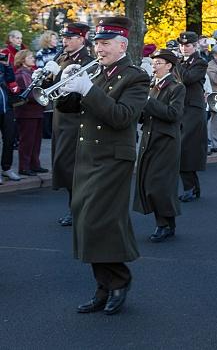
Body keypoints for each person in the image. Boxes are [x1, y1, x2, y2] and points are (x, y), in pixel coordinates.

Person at [56, 16, 149, 316]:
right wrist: (61, 82)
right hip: (88, 158)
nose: (99, 48)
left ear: (122, 45)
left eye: (105, 43)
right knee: (86, 221)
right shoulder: (96, 72)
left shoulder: (135, 77)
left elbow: (122, 116)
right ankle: (103, 284)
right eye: (97, 43)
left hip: (113, 158)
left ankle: (119, 280)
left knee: (101, 220)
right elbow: (69, 107)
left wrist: (88, 89)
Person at [134, 48, 185, 243]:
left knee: (160, 185)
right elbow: (145, 113)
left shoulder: (176, 87)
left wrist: (147, 102)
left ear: (169, 65)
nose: (154, 66)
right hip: (149, 138)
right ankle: (165, 223)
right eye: (153, 63)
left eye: (158, 63)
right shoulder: (152, 85)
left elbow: (173, 114)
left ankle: (164, 224)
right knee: (148, 182)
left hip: (166, 141)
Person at [49, 23, 94, 225]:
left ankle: (77, 209)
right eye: (64, 37)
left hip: (75, 119)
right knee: (63, 165)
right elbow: (54, 90)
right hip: (60, 120)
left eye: (69, 37)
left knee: (72, 167)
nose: (64, 41)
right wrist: (42, 80)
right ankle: (75, 206)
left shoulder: (87, 61)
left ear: (81, 39)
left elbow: (77, 96)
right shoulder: (62, 58)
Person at [176, 31, 208, 202]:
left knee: (185, 148)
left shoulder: (200, 63)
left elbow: (187, 78)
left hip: (193, 111)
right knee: (183, 149)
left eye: (187, 45)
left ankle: (190, 188)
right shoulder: (180, 62)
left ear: (195, 46)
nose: (184, 48)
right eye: (182, 45)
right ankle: (193, 187)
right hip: (181, 109)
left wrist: (174, 63)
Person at [13, 50, 46, 176]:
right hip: (27, 113)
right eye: (30, 57)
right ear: (22, 59)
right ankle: (24, 167)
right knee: (27, 141)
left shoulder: (31, 72)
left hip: (36, 112)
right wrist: (42, 95)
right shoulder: (21, 75)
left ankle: (35, 164)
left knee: (36, 141)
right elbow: (27, 95)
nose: (33, 59)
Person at [0, 51, 19, 183]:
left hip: (7, 108)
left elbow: (11, 81)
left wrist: (7, 66)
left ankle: (7, 168)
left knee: (9, 139)